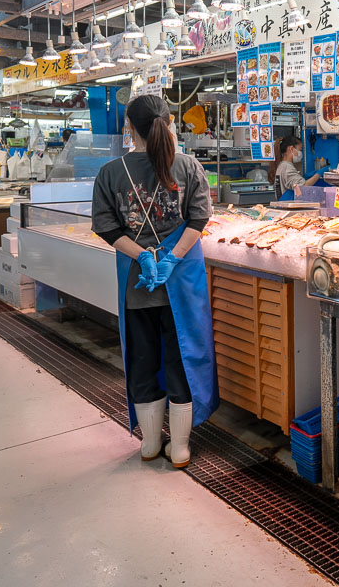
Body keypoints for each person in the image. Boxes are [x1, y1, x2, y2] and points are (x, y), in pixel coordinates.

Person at [91, 95, 218, 469]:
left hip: (137, 286)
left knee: (144, 360)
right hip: (180, 285)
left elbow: (106, 227)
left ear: (129, 126)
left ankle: (150, 444)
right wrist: (172, 258)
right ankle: (179, 447)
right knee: (183, 360)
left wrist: (142, 255)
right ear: (169, 121)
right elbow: (199, 220)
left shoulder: (111, 172)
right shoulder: (189, 166)